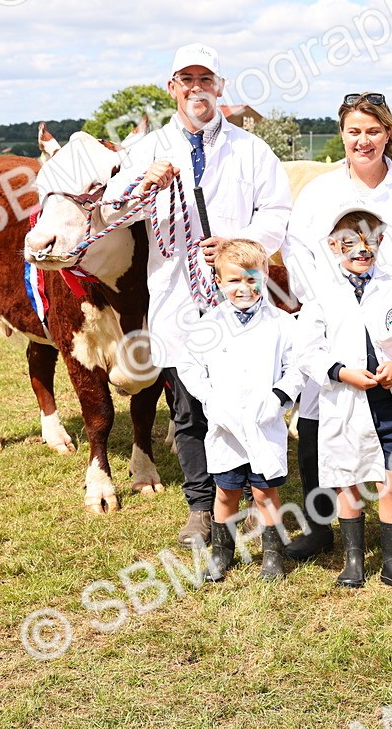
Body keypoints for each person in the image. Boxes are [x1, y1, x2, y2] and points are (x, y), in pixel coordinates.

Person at [105, 43, 292, 549]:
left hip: (239, 297)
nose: (196, 88)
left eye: (205, 79)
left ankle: (254, 503)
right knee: (189, 409)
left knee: (249, 401)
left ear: (220, 86)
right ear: (172, 88)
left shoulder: (251, 150)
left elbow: (277, 212)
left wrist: (238, 243)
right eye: (186, 79)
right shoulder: (147, 149)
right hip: (178, 302)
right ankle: (201, 509)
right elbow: (110, 209)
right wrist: (143, 181)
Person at [281, 91, 392, 562]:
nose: (364, 140)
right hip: (334, 325)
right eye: (354, 131)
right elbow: (298, 252)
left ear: (389, 134)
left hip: (391, 326)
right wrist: (322, 300)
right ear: (342, 134)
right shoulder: (320, 191)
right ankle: (321, 527)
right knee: (320, 426)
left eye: (373, 131)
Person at [296, 205, 392, 595]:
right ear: (334, 246)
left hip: (388, 403)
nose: (361, 249)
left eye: (370, 241)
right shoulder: (321, 295)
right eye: (350, 242)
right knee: (347, 479)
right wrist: (341, 372)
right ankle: (353, 561)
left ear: (381, 242)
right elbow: (307, 351)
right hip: (344, 403)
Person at [175, 239, 303, 582]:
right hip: (225, 425)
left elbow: (296, 367)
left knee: (264, 493)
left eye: (251, 279)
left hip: (264, 422)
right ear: (218, 282)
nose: (243, 288)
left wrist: (278, 397)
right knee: (226, 491)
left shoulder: (282, 324)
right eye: (233, 280)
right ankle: (221, 553)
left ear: (265, 276)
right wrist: (210, 399)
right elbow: (189, 366)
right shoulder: (208, 325)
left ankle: (272, 556)